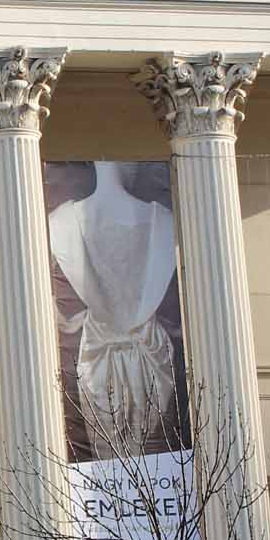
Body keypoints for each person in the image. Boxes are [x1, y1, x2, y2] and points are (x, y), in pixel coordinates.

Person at [48, 163, 181, 459]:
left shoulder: (62, 222)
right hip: (141, 355)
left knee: (129, 465)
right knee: (151, 466)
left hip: (103, 358)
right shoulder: (162, 220)